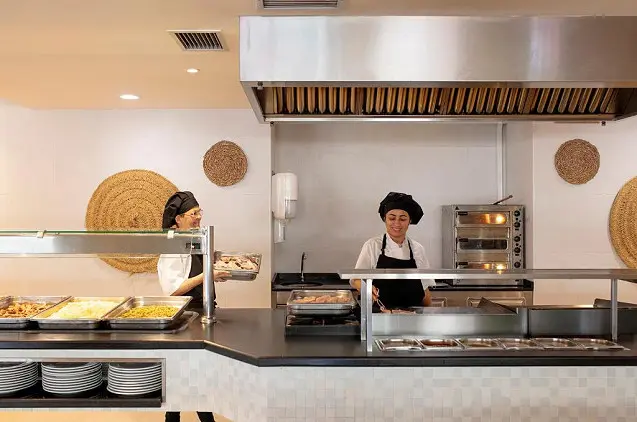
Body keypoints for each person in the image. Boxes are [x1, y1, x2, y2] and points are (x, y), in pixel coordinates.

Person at [157, 191, 228, 422]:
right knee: (193, 376)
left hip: (202, 314)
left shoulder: (192, 238)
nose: (198, 217)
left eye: (199, 212)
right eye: (193, 213)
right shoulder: (172, 246)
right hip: (186, 318)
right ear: (178, 219)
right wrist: (207, 275)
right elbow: (172, 290)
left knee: (189, 375)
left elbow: (197, 271)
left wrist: (215, 266)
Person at [350, 192, 435, 309]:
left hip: (412, 314)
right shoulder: (372, 245)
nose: (397, 223)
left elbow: (424, 289)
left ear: (410, 220)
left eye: (403, 219)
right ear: (385, 219)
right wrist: (367, 289)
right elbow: (356, 279)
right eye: (392, 218)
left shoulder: (418, 249)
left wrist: (430, 314)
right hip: (380, 313)